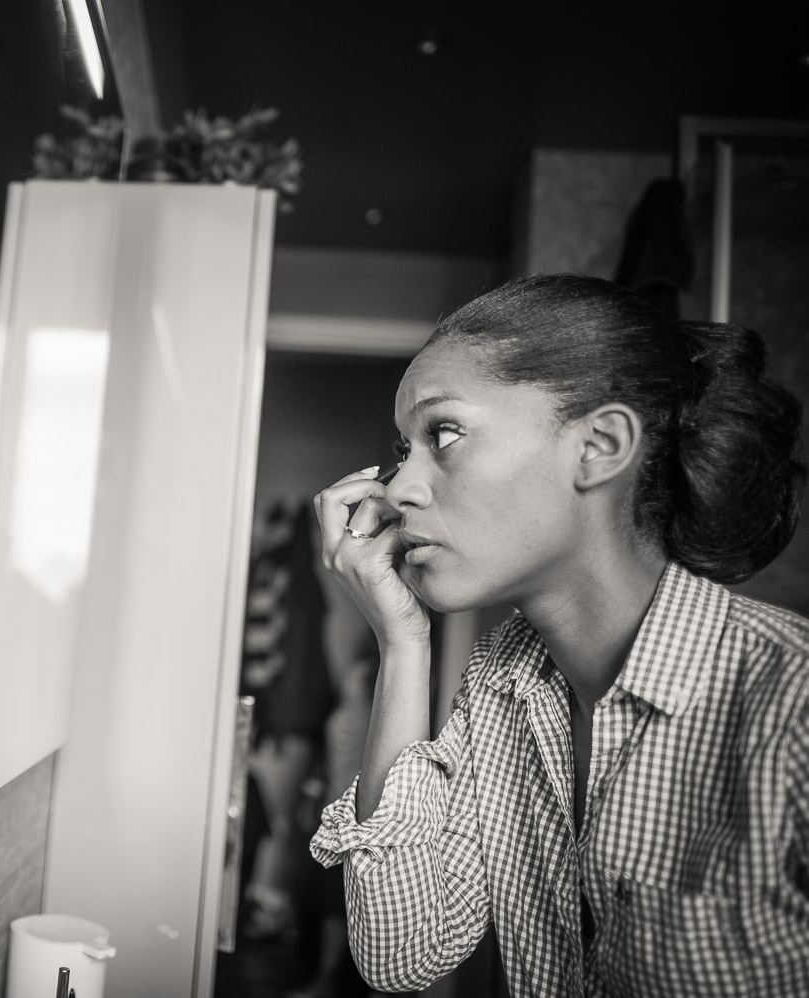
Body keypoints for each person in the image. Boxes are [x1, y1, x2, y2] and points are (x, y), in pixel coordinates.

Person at [308, 273, 807, 997]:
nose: (398, 487)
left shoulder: (787, 705)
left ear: (599, 446)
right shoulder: (504, 681)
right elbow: (403, 952)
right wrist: (402, 641)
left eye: (443, 433)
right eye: (403, 447)